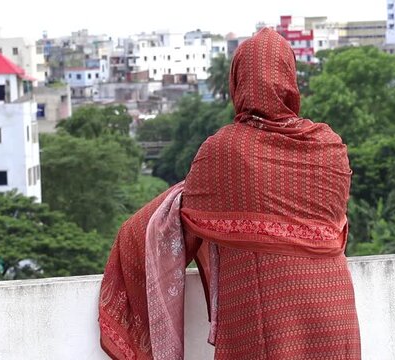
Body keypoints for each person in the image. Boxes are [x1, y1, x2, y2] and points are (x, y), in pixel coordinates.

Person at [99, 27, 361, 360]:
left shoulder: (226, 149)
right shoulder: (328, 146)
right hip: (335, 311)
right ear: (290, 79)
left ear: (239, 81)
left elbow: (183, 212)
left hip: (268, 317)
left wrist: (131, 235)